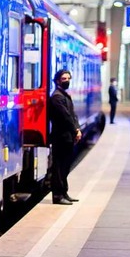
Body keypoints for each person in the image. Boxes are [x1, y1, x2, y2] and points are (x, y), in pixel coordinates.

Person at [48, 69, 82, 205]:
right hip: (60, 136)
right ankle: (57, 195)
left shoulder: (64, 95)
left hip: (67, 136)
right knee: (59, 166)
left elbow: (73, 115)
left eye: (68, 78)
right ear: (57, 81)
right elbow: (65, 116)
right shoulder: (56, 97)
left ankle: (64, 192)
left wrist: (77, 128)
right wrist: (75, 131)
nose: (67, 81)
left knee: (65, 166)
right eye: (64, 79)